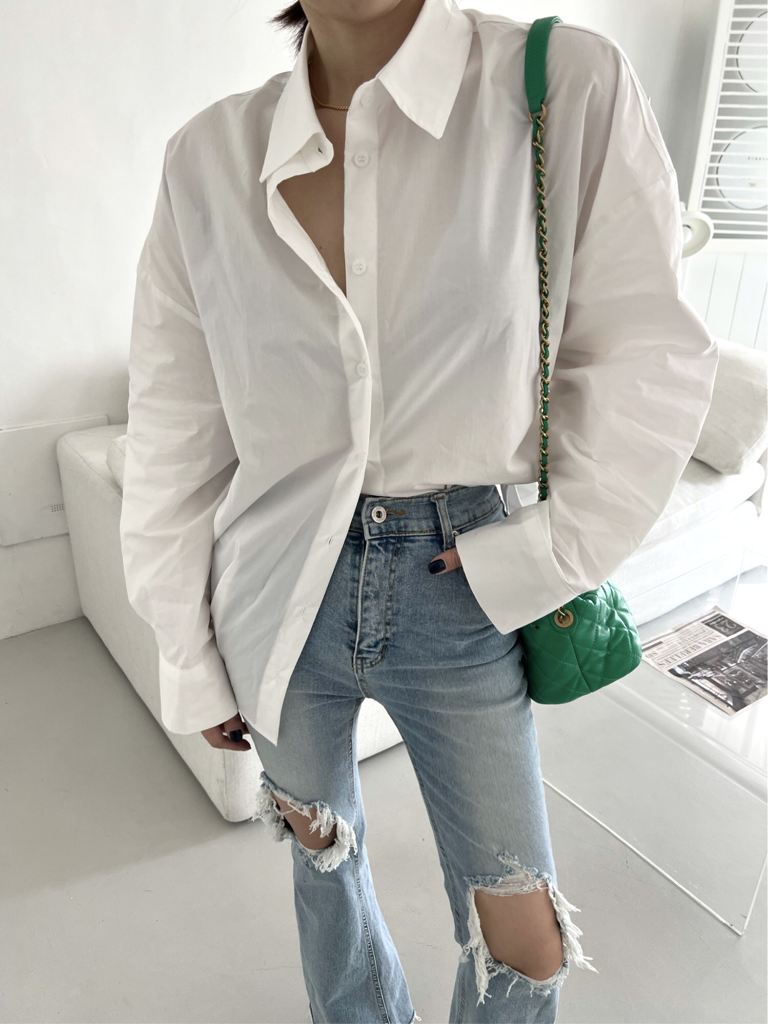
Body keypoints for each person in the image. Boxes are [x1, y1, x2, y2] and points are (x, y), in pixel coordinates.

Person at [119, 1, 719, 1021]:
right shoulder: (209, 156)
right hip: (274, 592)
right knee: (321, 854)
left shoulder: (558, 85)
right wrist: (187, 645)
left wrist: (542, 556)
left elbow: (643, 359)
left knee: (524, 935)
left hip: (463, 584)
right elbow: (177, 419)